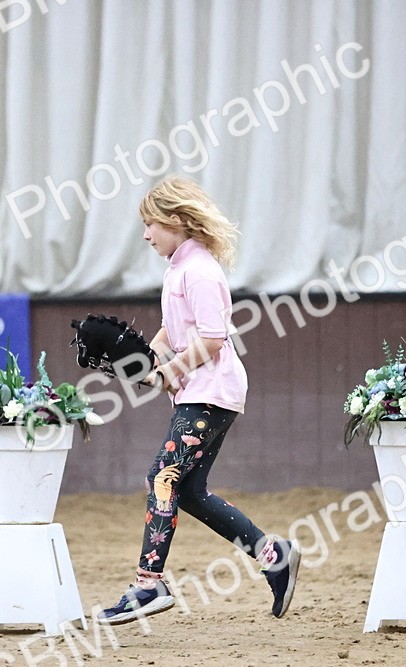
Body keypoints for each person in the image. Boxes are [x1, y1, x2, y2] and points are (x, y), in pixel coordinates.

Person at [97, 176, 300, 625]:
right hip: (202, 392)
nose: (146, 235)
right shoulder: (179, 270)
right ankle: (274, 556)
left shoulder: (201, 271)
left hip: (211, 392)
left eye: (151, 224)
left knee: (161, 478)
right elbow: (176, 330)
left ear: (177, 221)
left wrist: (169, 371)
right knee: (188, 490)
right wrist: (145, 359)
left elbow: (211, 338)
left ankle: (148, 586)